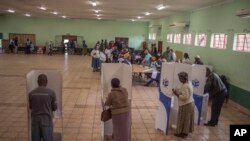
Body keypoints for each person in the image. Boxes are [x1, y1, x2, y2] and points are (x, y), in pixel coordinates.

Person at [29, 74, 57, 141]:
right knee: (48, 138)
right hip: (46, 119)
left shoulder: (31, 93)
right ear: (46, 81)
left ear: (37, 82)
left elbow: (31, 107)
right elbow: (55, 107)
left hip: (35, 119)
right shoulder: (51, 92)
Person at [172, 72, 194, 138]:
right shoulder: (189, 83)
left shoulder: (185, 86)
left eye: (180, 78)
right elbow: (185, 93)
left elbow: (185, 97)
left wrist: (176, 94)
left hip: (185, 105)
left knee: (182, 119)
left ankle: (181, 133)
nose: (179, 79)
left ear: (184, 78)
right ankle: (185, 132)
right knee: (187, 119)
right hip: (190, 103)